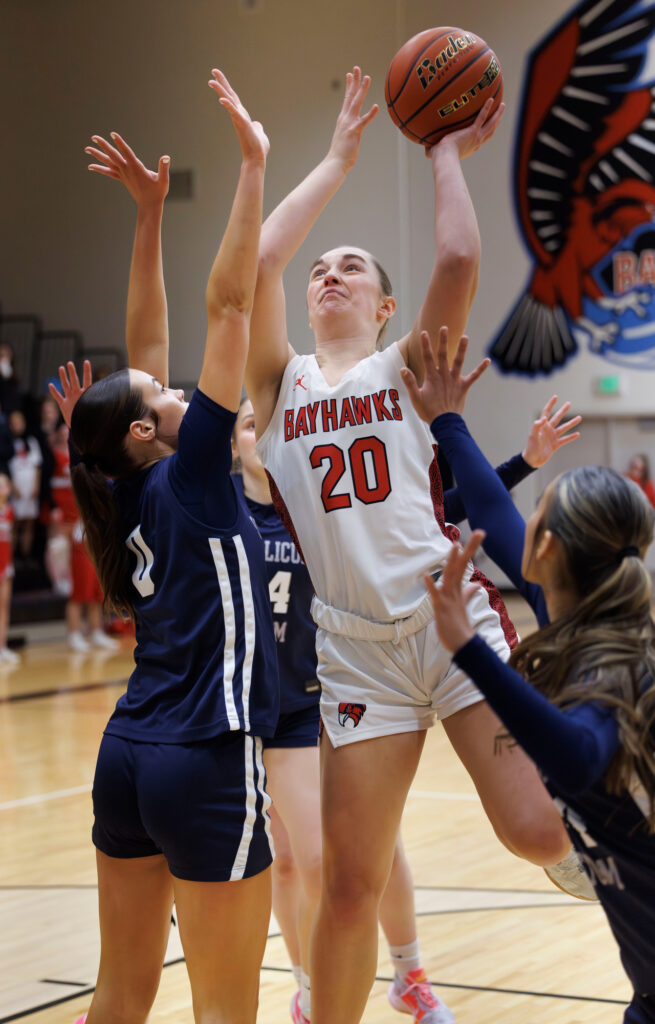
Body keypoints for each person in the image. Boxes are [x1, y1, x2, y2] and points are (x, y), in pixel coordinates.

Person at [244, 66, 584, 1024]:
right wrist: (337, 158)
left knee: (534, 836)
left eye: (350, 265)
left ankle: (613, 794)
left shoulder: (405, 368)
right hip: (356, 655)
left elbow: (459, 261)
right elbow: (262, 261)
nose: (328, 273)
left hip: (450, 623)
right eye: (324, 268)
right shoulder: (279, 388)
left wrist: (441, 152)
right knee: (349, 889)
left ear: (385, 307)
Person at [52, 71, 278, 1024]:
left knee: (121, 994)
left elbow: (144, 345)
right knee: (226, 1011)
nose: (183, 388)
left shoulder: (134, 479)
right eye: (167, 397)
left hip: (130, 755)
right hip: (206, 758)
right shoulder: (189, 471)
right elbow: (227, 305)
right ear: (152, 433)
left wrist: (149, 217)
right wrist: (252, 166)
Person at [408, 335, 655, 1024]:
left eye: (535, 514)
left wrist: (469, 650)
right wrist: (447, 421)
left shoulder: (619, 661)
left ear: (546, 548)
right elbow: (488, 513)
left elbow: (577, 755)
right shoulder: (575, 619)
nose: (522, 525)